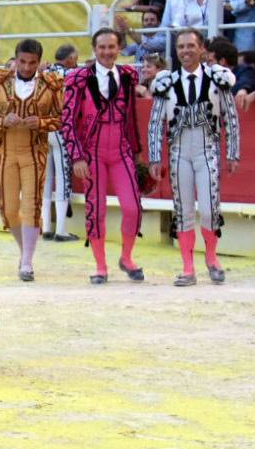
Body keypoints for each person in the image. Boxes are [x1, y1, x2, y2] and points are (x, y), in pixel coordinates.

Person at [148, 29, 240, 286]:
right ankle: (188, 268)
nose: (185, 51)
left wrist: (233, 152)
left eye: (190, 46)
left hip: (207, 150)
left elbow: (230, 117)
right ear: (176, 51)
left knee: (211, 210)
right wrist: (155, 157)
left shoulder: (218, 78)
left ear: (201, 49)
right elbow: (155, 122)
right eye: (181, 47)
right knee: (183, 211)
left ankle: (211, 258)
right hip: (178, 153)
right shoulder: (167, 82)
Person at [61, 28, 144, 284]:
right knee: (95, 210)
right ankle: (100, 265)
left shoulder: (129, 76)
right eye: (102, 47)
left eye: (111, 47)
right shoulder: (78, 78)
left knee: (133, 208)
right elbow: (68, 120)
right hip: (92, 153)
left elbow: (131, 116)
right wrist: (77, 156)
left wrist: (137, 151)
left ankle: (126, 258)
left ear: (119, 49)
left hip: (121, 151)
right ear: (94, 49)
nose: (107, 52)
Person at [0, 39, 64, 281]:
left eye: (32, 63)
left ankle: (27, 261)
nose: (26, 67)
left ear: (39, 62)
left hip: (34, 151)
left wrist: (42, 122)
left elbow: (60, 117)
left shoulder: (51, 84)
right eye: (22, 62)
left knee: (32, 205)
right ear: (15, 60)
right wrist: (3, 120)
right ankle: (24, 250)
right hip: (6, 150)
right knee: (9, 208)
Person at [40, 45, 79, 242]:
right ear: (71, 58)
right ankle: (61, 230)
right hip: (62, 128)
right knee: (64, 177)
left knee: (46, 178)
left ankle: (46, 226)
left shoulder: (42, 72)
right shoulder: (73, 73)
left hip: (42, 128)